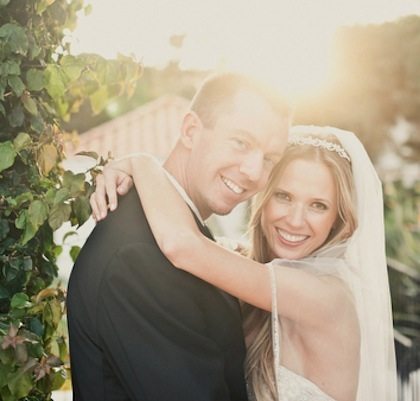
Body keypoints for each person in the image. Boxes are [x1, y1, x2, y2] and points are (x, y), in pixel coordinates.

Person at [91, 126, 397, 401]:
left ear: (337, 220)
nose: (295, 219)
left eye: (318, 205)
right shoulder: (251, 269)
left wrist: (140, 163)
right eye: (284, 196)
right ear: (263, 199)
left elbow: (182, 245)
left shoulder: (325, 296)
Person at [66, 73, 290, 401]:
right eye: (241, 142)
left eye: (270, 159)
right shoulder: (139, 258)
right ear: (190, 131)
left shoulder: (183, 233)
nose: (254, 172)